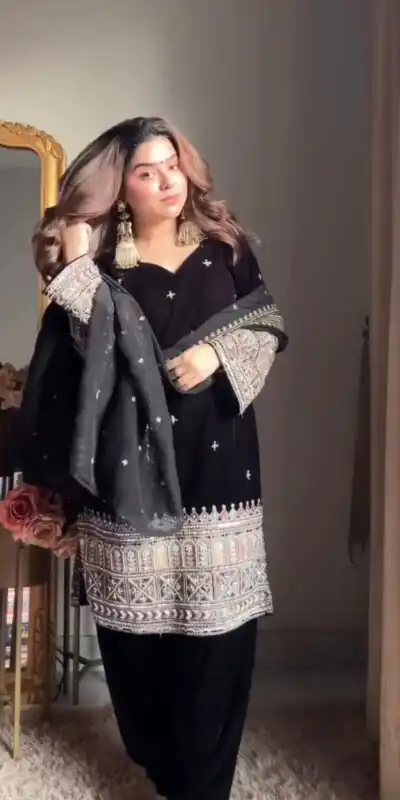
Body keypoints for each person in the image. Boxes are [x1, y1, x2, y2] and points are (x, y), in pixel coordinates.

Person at [26, 117, 287, 800]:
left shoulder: (225, 248)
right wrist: (76, 272)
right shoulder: (101, 266)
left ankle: (201, 786)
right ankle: (166, 767)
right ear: (120, 188)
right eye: (147, 171)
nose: (168, 181)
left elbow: (266, 322)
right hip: (128, 471)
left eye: (173, 164)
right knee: (135, 644)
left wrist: (218, 354)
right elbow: (78, 357)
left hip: (219, 466)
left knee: (219, 638)